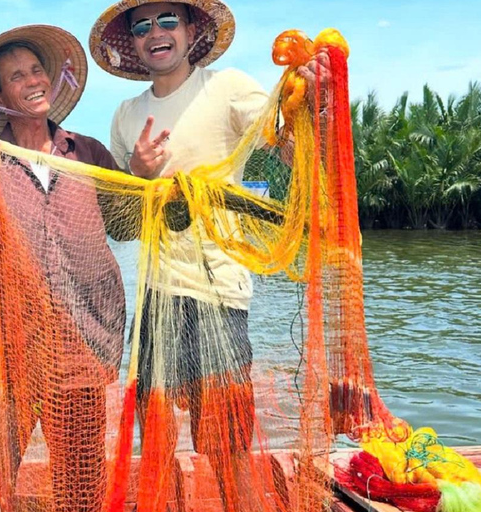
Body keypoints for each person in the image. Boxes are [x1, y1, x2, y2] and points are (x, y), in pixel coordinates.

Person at [89, 2, 329, 510]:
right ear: (131, 43)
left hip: (218, 292)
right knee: (154, 438)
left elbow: (287, 144)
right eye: (141, 26)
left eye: (167, 20)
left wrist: (314, 100)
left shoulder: (227, 88)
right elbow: (122, 224)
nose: (155, 33)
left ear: (192, 29)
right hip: (156, 296)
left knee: (225, 441)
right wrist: (138, 174)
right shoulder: (127, 116)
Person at [0, 25, 128, 512]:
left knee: (81, 482)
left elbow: (128, 225)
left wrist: (149, 176)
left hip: (84, 343)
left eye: (36, 71)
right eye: (16, 76)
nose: (33, 82)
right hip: (12, 348)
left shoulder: (87, 152)